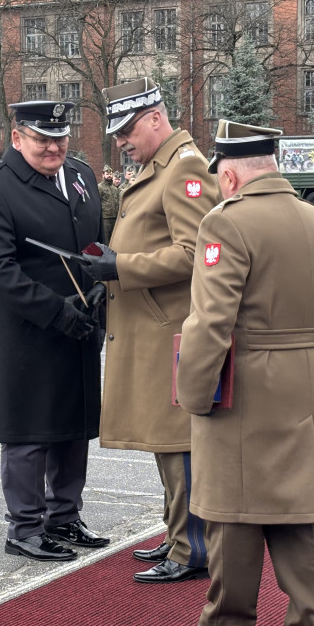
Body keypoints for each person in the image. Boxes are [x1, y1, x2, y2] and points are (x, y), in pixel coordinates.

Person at [159, 120, 314, 626]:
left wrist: (193, 393)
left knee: (232, 509)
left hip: (245, 383)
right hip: (302, 379)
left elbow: (210, 321)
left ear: (231, 175)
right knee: (298, 508)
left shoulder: (225, 223)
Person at [81, 77, 219, 583]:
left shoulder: (183, 169)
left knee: (178, 440)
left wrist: (121, 267)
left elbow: (197, 252)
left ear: (156, 118)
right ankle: (178, 533)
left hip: (169, 330)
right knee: (166, 440)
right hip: (151, 325)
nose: (120, 141)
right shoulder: (159, 165)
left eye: (126, 131)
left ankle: (193, 547)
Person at [0, 100, 109, 562]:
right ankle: (25, 527)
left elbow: (94, 242)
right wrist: (54, 311)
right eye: (43, 140)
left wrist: (101, 285)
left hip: (79, 323)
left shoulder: (81, 176)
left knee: (73, 425)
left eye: (61, 139)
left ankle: (64, 515)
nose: (54, 148)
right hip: (25, 332)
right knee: (29, 431)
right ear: (17, 137)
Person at [97, 165, 120, 244]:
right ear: (103, 175)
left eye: (110, 174)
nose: (109, 175)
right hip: (105, 218)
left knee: (115, 239)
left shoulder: (115, 188)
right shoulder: (100, 187)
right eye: (107, 174)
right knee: (106, 239)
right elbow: (97, 202)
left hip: (115, 217)